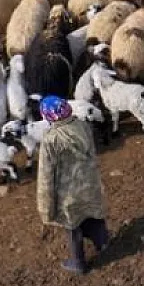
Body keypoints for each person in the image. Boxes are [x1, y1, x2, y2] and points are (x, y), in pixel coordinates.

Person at [36, 97, 109, 275]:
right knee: (93, 213)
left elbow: (46, 177)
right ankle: (102, 242)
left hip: (67, 194)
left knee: (72, 226)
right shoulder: (83, 125)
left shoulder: (51, 140)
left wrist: (45, 208)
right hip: (89, 184)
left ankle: (78, 262)